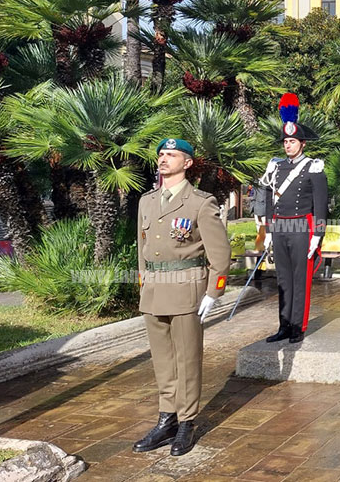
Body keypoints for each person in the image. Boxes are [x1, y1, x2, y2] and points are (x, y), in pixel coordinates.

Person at [132, 138, 231, 457]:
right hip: (155, 290)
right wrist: (143, 282)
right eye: (161, 154)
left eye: (171, 155)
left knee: (187, 360)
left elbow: (221, 253)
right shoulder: (147, 201)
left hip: (187, 289)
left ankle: (187, 422)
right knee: (162, 360)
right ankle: (166, 419)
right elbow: (142, 247)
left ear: (187, 163)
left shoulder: (201, 202)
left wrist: (213, 292)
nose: (163, 159)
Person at [259, 93, 328, 344]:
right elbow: (268, 199)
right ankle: (284, 325)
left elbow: (321, 205)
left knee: (301, 279)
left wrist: (317, 235)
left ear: (303, 143)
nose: (288, 145)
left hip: (302, 228)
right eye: (286, 141)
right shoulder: (275, 167)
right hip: (279, 228)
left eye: (293, 141)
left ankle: (298, 326)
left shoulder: (313, 167)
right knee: (283, 279)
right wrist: (268, 231)